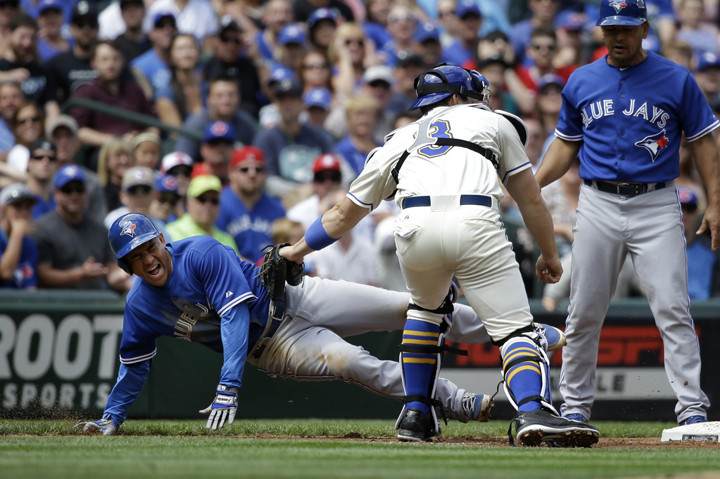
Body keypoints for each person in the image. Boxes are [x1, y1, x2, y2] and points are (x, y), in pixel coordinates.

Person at [279, 64, 600, 446]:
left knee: (425, 312)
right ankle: (533, 408)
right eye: (475, 97)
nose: (480, 103)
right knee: (515, 329)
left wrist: (294, 252)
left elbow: (343, 213)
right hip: (474, 220)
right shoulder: (494, 123)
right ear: (454, 97)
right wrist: (550, 254)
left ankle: (416, 413)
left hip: (413, 227)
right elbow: (530, 199)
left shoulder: (399, 138)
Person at [75, 213, 572, 435]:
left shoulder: (199, 251)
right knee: (356, 363)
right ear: (127, 267)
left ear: (162, 240)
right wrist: (113, 416)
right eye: (135, 257)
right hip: (271, 344)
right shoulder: (141, 307)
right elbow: (133, 366)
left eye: (148, 246)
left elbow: (229, 316)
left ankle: (518, 331)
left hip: (295, 294)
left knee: (409, 307)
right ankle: (456, 401)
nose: (147, 259)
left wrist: (227, 385)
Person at [535, 0, 719, 427]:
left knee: (673, 308)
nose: (618, 36)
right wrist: (532, 184)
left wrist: (716, 202)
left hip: (656, 201)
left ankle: (692, 408)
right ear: (601, 31)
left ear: (644, 29)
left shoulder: (676, 78)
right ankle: (575, 408)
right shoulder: (581, 80)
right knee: (582, 311)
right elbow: (565, 143)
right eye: (611, 28)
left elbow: (706, 141)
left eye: (627, 28)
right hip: (597, 201)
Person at [32, 164, 131, 292]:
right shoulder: (43, 228)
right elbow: (42, 275)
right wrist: (80, 274)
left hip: (95, 302)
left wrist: (120, 276)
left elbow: (110, 269)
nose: (74, 195)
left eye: (79, 189)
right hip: (57, 304)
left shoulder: (99, 228)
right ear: (55, 194)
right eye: (67, 190)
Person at [253, 78, 334, 198]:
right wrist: (299, 190)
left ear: (302, 103)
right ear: (276, 104)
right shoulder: (266, 138)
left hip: (321, 198)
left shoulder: (318, 135)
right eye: (282, 100)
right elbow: (267, 180)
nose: (287, 105)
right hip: (283, 201)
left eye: (292, 100)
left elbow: (336, 164)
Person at [70, 40, 158, 148]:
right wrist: (118, 141)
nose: (110, 65)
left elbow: (152, 124)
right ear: (94, 63)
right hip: (102, 150)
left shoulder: (135, 90)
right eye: (105, 60)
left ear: (122, 62)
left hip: (138, 148)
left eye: (115, 59)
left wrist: (146, 141)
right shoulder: (85, 93)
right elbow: (79, 131)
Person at [216, 146, 285, 262]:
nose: (252, 174)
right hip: (230, 271)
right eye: (244, 169)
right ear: (231, 173)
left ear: (265, 174)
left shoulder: (277, 208)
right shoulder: (217, 203)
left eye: (258, 169)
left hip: (269, 274)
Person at [176, 76, 256, 162]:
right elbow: (182, 161)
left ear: (239, 98)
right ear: (208, 99)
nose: (226, 101)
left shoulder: (246, 123)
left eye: (231, 95)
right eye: (219, 95)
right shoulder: (194, 125)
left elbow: (256, 158)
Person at [49, 114, 107, 224]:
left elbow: (99, 224)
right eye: (57, 136)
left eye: (69, 136)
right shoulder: (43, 179)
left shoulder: (93, 181)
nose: (63, 141)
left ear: (78, 143)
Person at [0, 13, 58, 120]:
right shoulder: (2, 67)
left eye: (32, 38)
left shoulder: (41, 70)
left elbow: (51, 106)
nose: (27, 43)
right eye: (22, 37)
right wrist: (7, 76)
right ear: (9, 34)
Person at [202, 15, 261, 118]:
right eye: (225, 39)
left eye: (236, 40)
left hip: (249, 121)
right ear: (216, 41)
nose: (231, 45)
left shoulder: (249, 65)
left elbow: (269, 93)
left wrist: (257, 59)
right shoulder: (208, 66)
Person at [166, 174, 239, 253]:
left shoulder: (227, 239)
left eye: (214, 200)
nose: (208, 205)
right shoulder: (172, 232)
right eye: (202, 199)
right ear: (188, 202)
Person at [104, 166, 168, 239]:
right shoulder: (111, 223)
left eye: (146, 190)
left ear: (155, 195)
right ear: (123, 196)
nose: (140, 196)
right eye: (133, 190)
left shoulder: (161, 230)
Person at [155, 33, 204, 127]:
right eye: (181, 49)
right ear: (171, 57)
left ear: (198, 53)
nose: (187, 52)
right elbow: (176, 134)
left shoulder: (209, 87)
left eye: (191, 47)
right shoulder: (165, 94)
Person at [130, 12, 177, 99]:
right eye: (161, 25)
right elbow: (147, 101)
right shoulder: (139, 66)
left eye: (172, 25)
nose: (168, 29)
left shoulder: (185, 59)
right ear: (151, 33)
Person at [0, 182, 38, 289]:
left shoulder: (29, 245)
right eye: (17, 206)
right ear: (3, 210)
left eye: (28, 207)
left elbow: (30, 287)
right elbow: (6, 273)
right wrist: (17, 233)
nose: (24, 212)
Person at [25, 138, 57, 220]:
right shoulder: (16, 194)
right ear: (29, 163)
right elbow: (11, 195)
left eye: (51, 158)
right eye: (39, 157)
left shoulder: (61, 199)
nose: (46, 162)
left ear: (57, 164)